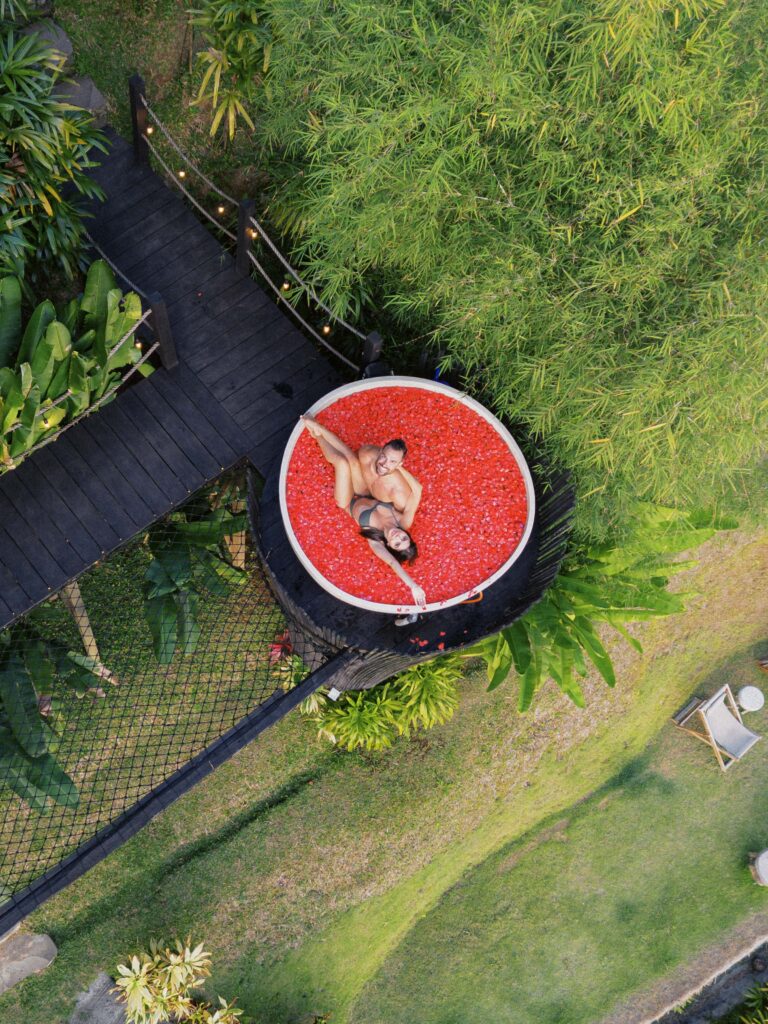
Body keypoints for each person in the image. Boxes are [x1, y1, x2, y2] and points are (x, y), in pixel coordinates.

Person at [300, 416, 426, 610]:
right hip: (363, 491)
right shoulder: (402, 520)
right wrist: (398, 468)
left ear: (390, 545)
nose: (398, 537)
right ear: (407, 534)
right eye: (404, 538)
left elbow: (393, 563)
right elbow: (417, 489)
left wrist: (413, 585)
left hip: (348, 500)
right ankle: (318, 427)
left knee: (342, 464)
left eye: (397, 543)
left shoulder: (376, 541)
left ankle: (317, 436)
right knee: (351, 458)